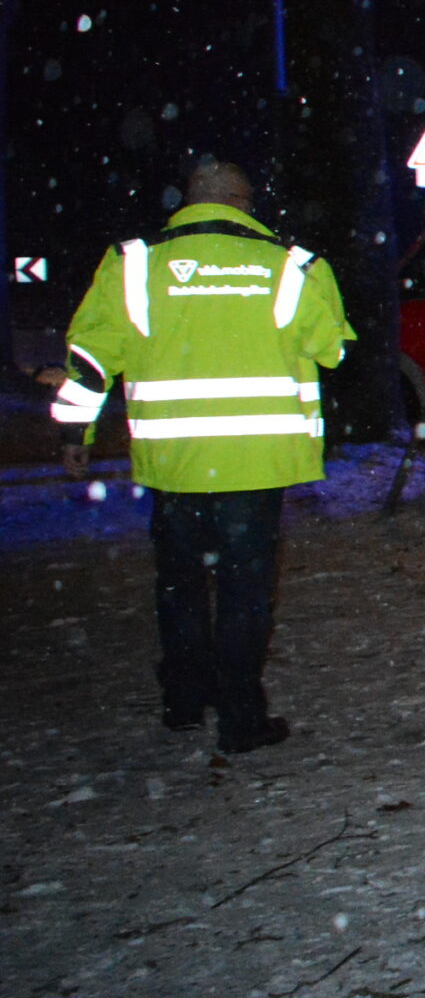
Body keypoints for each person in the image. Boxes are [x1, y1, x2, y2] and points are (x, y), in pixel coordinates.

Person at [51, 158, 353, 756]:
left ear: (187, 200)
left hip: (175, 463)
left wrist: (73, 436)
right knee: (245, 589)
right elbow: (332, 350)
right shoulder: (292, 267)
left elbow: (88, 361)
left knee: (180, 583)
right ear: (243, 201)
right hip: (257, 461)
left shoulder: (132, 264)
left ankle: (185, 701)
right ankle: (241, 718)